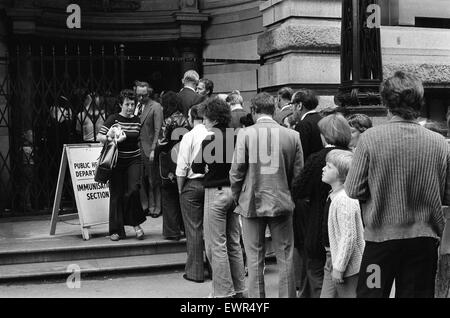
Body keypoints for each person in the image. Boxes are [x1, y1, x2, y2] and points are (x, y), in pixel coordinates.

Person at [345, 71, 450, 298]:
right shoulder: (440, 143)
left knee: (372, 293)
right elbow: (447, 195)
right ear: (419, 101)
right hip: (423, 241)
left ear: (385, 102)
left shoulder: (370, 139)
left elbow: (353, 189)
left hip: (379, 243)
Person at [230, 92, 303, 298]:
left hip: (251, 200)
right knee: (285, 256)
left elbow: (236, 172)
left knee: (254, 258)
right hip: (282, 199)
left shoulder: (245, 134)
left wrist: (237, 196)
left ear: (253, 111)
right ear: (275, 110)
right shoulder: (292, 135)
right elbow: (298, 175)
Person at [191, 98, 246, 298]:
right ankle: (240, 289)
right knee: (233, 242)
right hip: (235, 191)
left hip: (216, 192)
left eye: (205, 118)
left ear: (213, 119)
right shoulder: (237, 136)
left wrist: (207, 167)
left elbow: (196, 167)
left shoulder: (210, 138)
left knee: (216, 245)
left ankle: (223, 292)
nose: (203, 121)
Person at [292, 113, 351, 298]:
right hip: (349, 230)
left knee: (319, 278)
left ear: (325, 135)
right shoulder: (354, 156)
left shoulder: (318, 159)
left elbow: (298, 189)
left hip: (319, 229)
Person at [97, 89, 146, 241]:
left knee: (133, 190)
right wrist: (110, 136)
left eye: (132, 104)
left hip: (134, 159)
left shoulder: (137, 120)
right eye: (127, 104)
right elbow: (99, 137)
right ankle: (115, 230)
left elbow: (139, 139)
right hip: (116, 161)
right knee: (116, 194)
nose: (130, 107)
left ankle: (136, 223)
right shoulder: (113, 119)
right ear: (120, 104)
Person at [320, 150, 364, 298]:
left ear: (342, 174)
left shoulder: (344, 199)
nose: (323, 168)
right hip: (333, 257)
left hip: (345, 262)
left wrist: (339, 267)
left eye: (329, 167)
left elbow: (349, 236)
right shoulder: (334, 195)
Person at [176, 104, 211, 283]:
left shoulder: (189, 136)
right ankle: (214, 269)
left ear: (191, 117)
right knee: (212, 230)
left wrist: (181, 189)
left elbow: (181, 167)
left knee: (194, 229)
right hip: (212, 185)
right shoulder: (214, 134)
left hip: (193, 184)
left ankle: (195, 272)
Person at [158, 91, 189, 241]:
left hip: (169, 162)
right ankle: (184, 228)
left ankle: (172, 231)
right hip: (184, 160)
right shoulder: (187, 120)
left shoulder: (168, 121)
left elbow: (162, 142)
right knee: (181, 195)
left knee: (169, 196)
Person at [135, 81, 164, 218]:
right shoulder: (135, 106)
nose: (141, 98)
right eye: (138, 95)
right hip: (137, 148)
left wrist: (153, 149)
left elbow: (158, 130)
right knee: (140, 179)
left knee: (153, 180)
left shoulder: (156, 106)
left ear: (149, 93)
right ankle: (145, 206)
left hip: (149, 148)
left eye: (144, 95)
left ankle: (156, 207)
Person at [294, 89, 324, 161]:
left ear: (299, 105)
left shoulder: (302, 125)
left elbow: (301, 154)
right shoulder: (323, 119)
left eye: (292, 104)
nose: (291, 109)